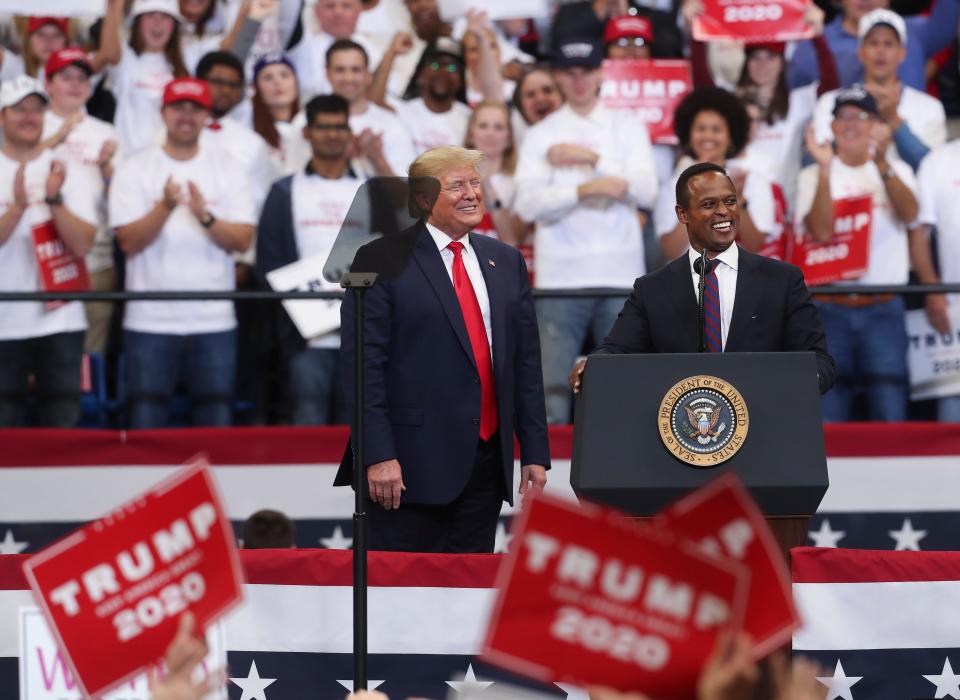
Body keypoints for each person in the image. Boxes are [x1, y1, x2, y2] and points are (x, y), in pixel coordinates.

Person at [335, 145, 550, 553]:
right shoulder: (377, 257)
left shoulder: (505, 261)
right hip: (405, 469)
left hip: (485, 465)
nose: (471, 193)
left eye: (474, 183)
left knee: (467, 601)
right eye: (456, 185)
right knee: (402, 602)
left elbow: (525, 362)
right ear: (422, 199)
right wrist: (376, 455)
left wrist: (535, 451)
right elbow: (363, 368)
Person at [571, 161, 835, 397]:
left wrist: (803, 382)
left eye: (730, 201)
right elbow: (617, 350)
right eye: (709, 204)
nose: (723, 211)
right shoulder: (653, 289)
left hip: (764, 427)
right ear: (682, 214)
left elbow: (819, 361)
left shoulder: (782, 280)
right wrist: (592, 367)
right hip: (682, 436)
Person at [514, 37, 658, 424]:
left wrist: (590, 158)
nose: (578, 80)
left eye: (586, 71)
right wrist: (586, 188)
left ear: (600, 74)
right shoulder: (542, 133)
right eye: (570, 72)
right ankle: (548, 483)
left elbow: (647, 190)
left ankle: (625, 476)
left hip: (619, 276)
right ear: (559, 76)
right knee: (552, 394)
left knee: (624, 391)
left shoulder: (625, 126)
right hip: (561, 278)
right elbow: (525, 204)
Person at [110, 78, 256, 428]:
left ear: (207, 115)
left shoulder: (230, 167)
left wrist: (204, 216)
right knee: (145, 424)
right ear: (163, 112)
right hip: (148, 320)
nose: (186, 116)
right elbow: (128, 242)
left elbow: (242, 240)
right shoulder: (134, 168)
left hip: (214, 319)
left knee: (216, 425)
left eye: (195, 108)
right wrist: (164, 206)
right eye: (178, 107)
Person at [798, 87, 917, 421]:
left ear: (876, 125)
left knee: (891, 414)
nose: (851, 124)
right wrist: (823, 171)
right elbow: (820, 231)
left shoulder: (897, 170)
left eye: (861, 116)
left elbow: (910, 214)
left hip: (884, 309)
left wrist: (882, 164)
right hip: (829, 310)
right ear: (833, 125)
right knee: (828, 421)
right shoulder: (811, 175)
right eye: (843, 116)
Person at [256, 95, 364, 425]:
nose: (332, 134)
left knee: (360, 439)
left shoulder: (369, 191)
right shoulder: (285, 191)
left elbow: (390, 263)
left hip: (361, 339)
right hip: (305, 338)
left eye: (339, 127)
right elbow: (269, 266)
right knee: (307, 428)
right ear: (307, 132)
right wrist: (310, 314)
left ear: (349, 132)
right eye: (323, 127)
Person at [0, 75, 98, 428]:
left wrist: (55, 199)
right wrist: (17, 209)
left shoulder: (68, 168)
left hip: (61, 322)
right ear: (1, 116)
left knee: (62, 432)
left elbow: (83, 244)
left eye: (37, 109)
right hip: (3, 324)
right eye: (19, 109)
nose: (29, 117)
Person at [42, 48, 119, 356]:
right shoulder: (29, 124)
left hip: (96, 258)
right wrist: (57, 138)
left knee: (91, 354)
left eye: (82, 78)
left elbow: (120, 201)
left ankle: (87, 405)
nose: (75, 85)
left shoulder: (107, 132)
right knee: (42, 351)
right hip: (42, 255)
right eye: (66, 77)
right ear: (48, 84)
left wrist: (106, 169)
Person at [812, 9, 947, 172]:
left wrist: (894, 121)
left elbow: (934, 171)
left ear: (902, 53)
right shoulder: (830, 102)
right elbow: (813, 162)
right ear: (861, 53)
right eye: (873, 43)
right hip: (846, 195)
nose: (880, 51)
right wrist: (850, 128)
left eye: (888, 44)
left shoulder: (930, 107)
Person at [655, 87, 777, 261]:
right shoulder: (674, 184)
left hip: (739, 282)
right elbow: (671, 251)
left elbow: (755, 244)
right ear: (689, 136)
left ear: (730, 138)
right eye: (700, 129)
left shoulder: (751, 180)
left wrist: (738, 200)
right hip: (689, 283)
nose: (708, 136)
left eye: (716, 129)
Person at [788, 0, 959, 92]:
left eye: (889, 44)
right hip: (843, 145)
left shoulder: (916, 32)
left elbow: (948, 20)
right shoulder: (812, 45)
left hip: (911, 135)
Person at [99, 0, 190, 156]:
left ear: (174, 25)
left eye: (165, 17)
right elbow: (108, 53)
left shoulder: (185, 63)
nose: (157, 23)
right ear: (138, 22)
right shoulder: (126, 60)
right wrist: (117, 4)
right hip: (128, 163)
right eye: (150, 15)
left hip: (169, 164)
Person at [912, 139, 960, 422]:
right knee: (953, 400)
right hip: (954, 309)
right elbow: (918, 231)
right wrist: (932, 290)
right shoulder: (938, 161)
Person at [196, 50, 277, 212]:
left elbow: (259, 199)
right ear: (199, 82)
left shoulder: (252, 143)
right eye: (218, 82)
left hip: (234, 231)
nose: (226, 91)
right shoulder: (172, 134)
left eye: (233, 85)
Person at [325, 38, 415, 177]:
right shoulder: (308, 120)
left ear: (368, 75)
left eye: (355, 70)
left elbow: (404, 194)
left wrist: (376, 156)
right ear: (327, 74)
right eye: (340, 70)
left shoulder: (391, 124)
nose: (348, 78)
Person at [380, 37, 472, 155]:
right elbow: (373, 104)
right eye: (435, 65)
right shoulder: (403, 111)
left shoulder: (469, 120)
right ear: (420, 75)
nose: (443, 72)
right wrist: (392, 52)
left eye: (452, 67)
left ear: (460, 81)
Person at [286, 0, 383, 101]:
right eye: (330, 6)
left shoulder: (374, 49)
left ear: (359, 11)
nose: (338, 12)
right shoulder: (299, 47)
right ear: (316, 11)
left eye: (346, 6)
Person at [464, 99, 527, 246]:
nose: (490, 133)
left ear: (509, 138)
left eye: (498, 127)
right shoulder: (451, 177)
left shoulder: (520, 180)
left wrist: (488, 187)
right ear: (471, 134)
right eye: (483, 126)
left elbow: (512, 241)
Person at [250, 53, 302, 173]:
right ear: (256, 88)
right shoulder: (248, 131)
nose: (277, 82)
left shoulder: (310, 124)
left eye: (284, 75)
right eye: (268, 77)